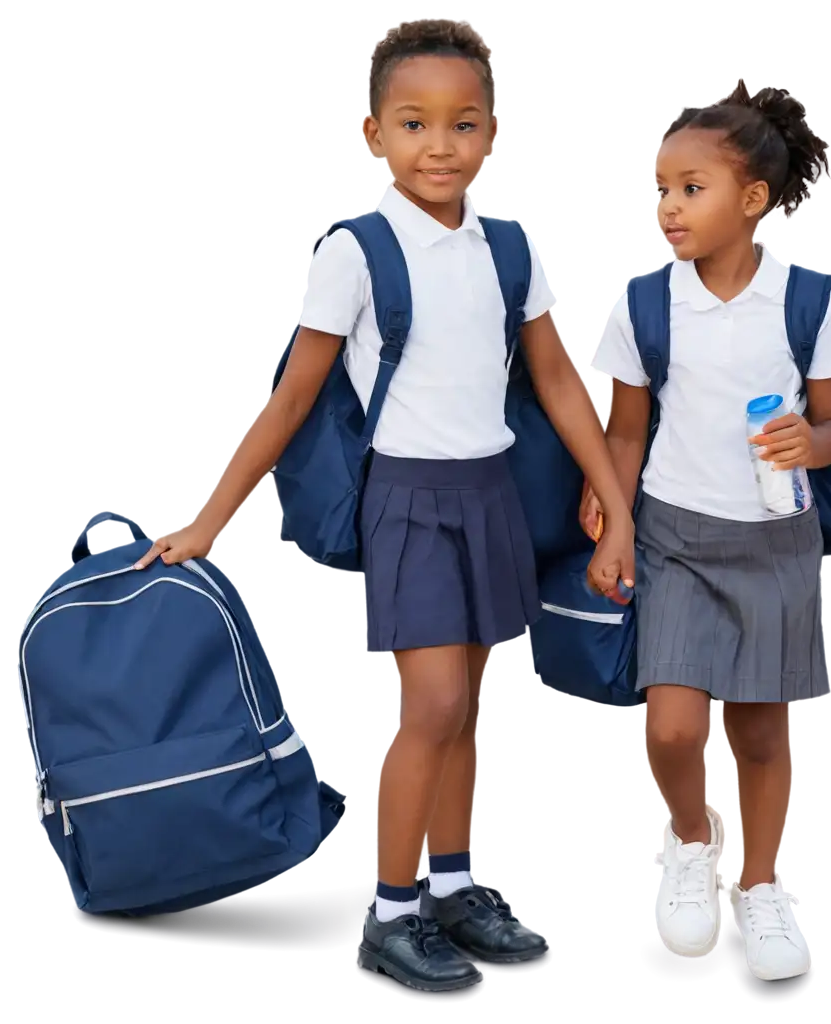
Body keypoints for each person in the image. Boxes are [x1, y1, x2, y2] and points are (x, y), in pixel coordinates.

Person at [135, 18, 636, 994]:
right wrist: (205, 518)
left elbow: (559, 384)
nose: (438, 146)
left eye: (461, 124)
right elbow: (289, 402)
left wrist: (613, 506)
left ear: (489, 132)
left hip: (490, 493)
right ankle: (393, 914)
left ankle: (449, 887)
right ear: (373, 133)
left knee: (469, 707)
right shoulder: (353, 255)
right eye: (414, 124)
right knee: (433, 702)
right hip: (406, 500)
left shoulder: (514, 250)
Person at [583, 82, 831, 983]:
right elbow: (626, 431)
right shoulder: (643, 307)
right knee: (670, 728)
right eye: (659, 188)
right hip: (676, 540)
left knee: (762, 734)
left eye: (689, 188)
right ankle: (691, 843)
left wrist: (809, 442)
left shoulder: (808, 302)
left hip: (777, 544)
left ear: (751, 200)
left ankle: (764, 883)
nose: (667, 207)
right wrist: (615, 524)